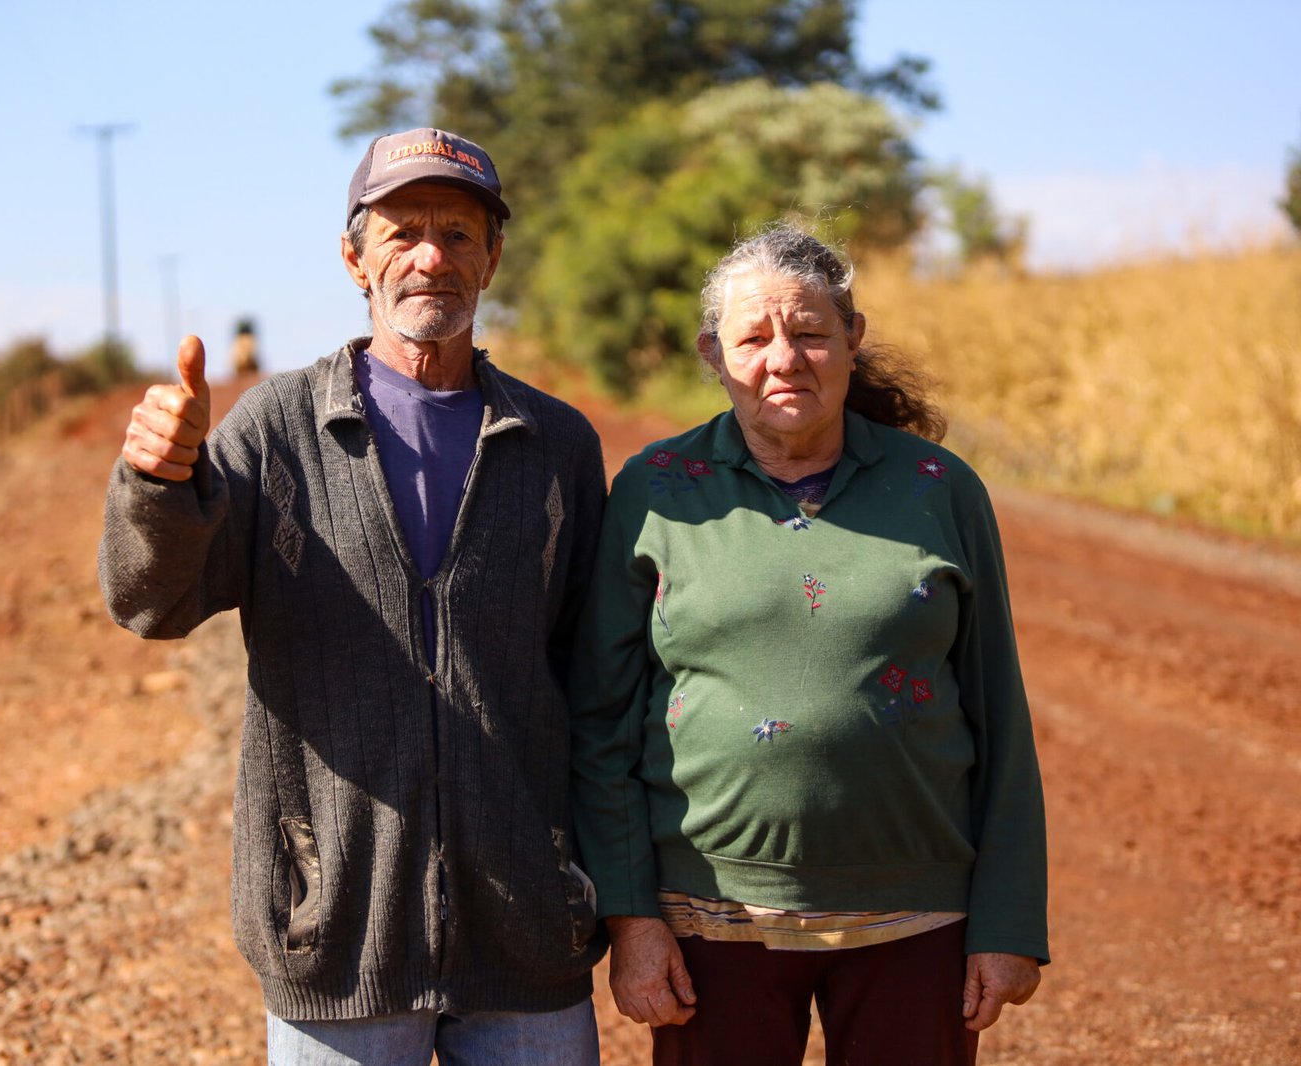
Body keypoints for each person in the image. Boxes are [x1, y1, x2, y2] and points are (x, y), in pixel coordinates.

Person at [99, 127, 608, 1065]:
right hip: (336, 929)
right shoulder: (276, 429)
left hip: (526, 934)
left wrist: (602, 882)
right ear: (353, 257)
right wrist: (160, 485)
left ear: (492, 259)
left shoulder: (556, 444)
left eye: (458, 234)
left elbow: (594, 678)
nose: (430, 257)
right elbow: (152, 603)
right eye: (402, 231)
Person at [569, 224, 1047, 1065]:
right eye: (754, 338)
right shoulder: (656, 492)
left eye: (812, 333)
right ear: (714, 355)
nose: (784, 358)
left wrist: (1007, 922)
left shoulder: (939, 488)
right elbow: (601, 722)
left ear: (852, 339)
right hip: (710, 918)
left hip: (917, 917)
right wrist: (633, 919)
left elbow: (999, 715)